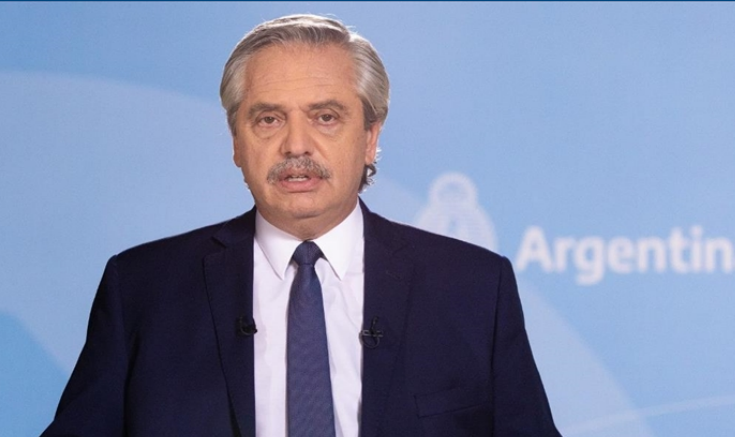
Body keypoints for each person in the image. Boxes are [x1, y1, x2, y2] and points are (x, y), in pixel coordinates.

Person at [41, 14, 560, 437]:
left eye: (325, 117)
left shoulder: (473, 287)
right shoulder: (142, 288)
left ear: (370, 137)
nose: (296, 145)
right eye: (268, 119)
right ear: (236, 141)